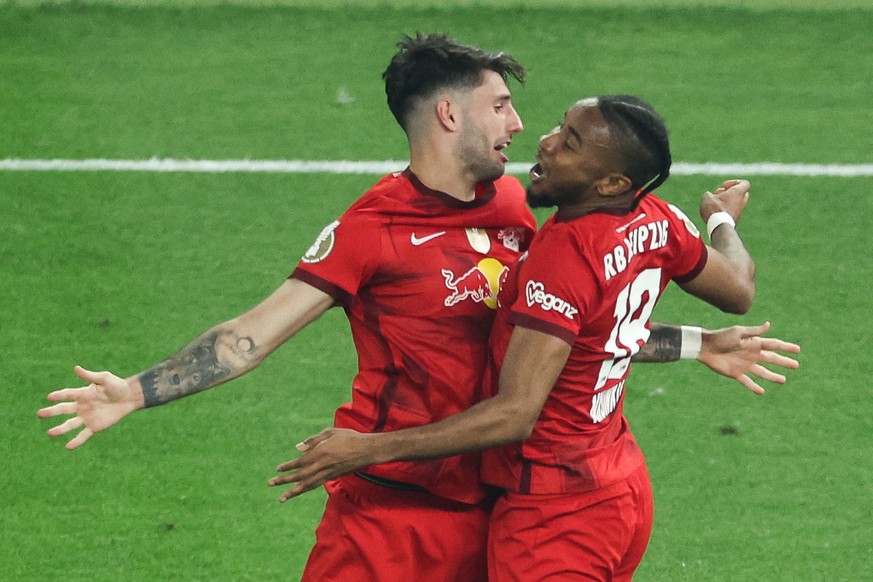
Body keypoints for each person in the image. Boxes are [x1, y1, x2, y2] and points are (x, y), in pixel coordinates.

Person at [38, 34, 797, 581]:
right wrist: (134, 392)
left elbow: (557, 332)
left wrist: (693, 344)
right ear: (446, 116)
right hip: (390, 521)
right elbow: (250, 337)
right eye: (499, 106)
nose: (517, 127)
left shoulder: (512, 200)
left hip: (495, 510)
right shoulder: (373, 229)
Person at [267, 95, 801, 581]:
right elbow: (738, 290)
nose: (544, 142)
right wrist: (721, 224)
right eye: (559, 127)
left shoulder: (561, 259)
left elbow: (515, 412)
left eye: (569, 143)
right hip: (621, 491)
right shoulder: (658, 219)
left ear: (611, 184)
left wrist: (367, 450)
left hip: (553, 518)